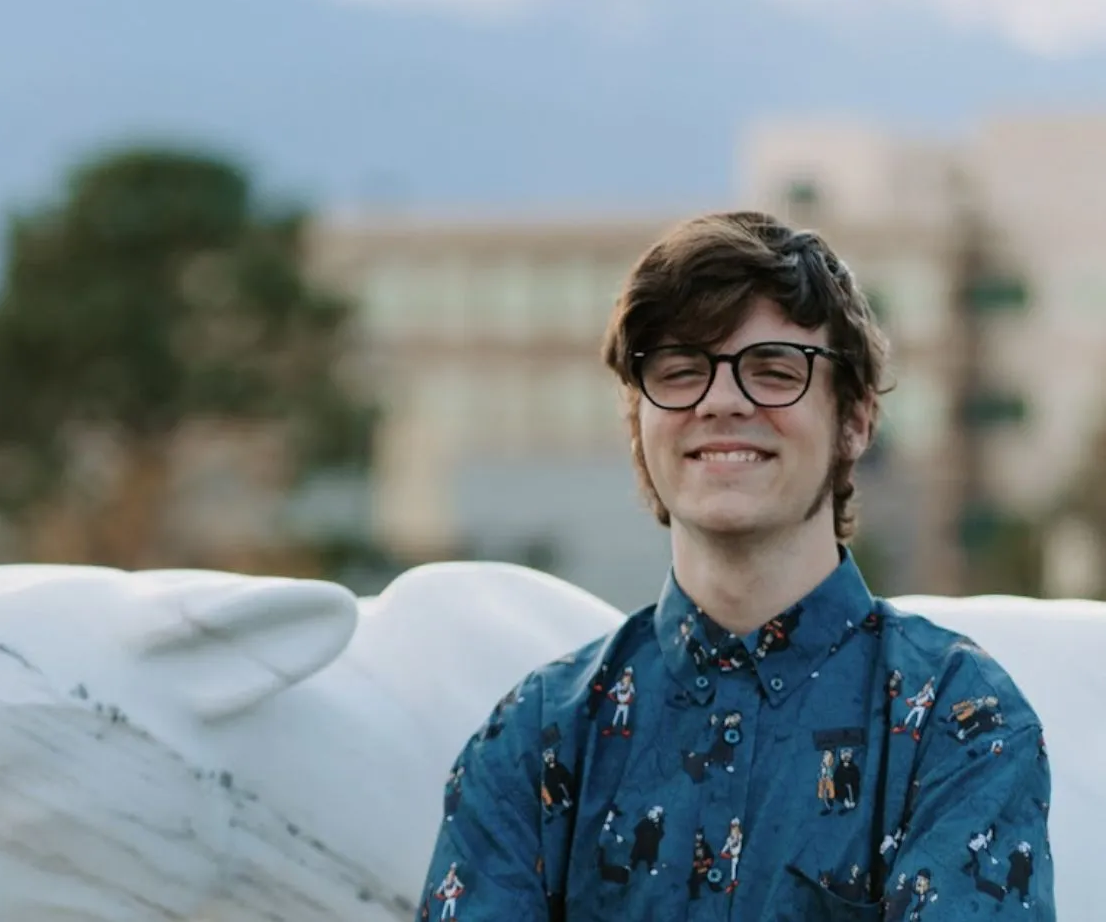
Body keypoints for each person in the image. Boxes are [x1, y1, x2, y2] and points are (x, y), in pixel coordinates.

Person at [414, 211, 1054, 919]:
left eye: (774, 371)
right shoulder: (538, 737)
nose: (721, 401)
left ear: (856, 420)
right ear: (638, 419)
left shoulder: (956, 720)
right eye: (681, 371)